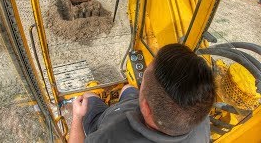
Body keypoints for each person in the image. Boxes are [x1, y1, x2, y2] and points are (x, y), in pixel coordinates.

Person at [69, 43, 216, 143]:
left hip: (106, 119)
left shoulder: (108, 135)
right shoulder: (200, 119)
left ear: (145, 107)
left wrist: (77, 116)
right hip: (138, 109)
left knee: (89, 96)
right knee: (127, 89)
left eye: (144, 80)